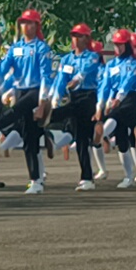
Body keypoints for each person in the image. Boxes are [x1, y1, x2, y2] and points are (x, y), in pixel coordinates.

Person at [0, 9, 52, 195]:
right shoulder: (15, 48)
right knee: (29, 139)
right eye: (22, 23)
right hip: (20, 90)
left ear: (37, 26)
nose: (25, 26)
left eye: (29, 23)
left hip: (35, 92)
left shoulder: (42, 48)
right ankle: (35, 180)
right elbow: (3, 70)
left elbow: (46, 76)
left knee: (17, 110)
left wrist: (43, 103)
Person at [47, 23, 101, 191]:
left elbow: (85, 71)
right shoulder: (67, 59)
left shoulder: (92, 56)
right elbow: (61, 79)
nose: (75, 39)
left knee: (80, 131)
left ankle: (48, 118)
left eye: (79, 36)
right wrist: (55, 97)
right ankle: (87, 177)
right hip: (74, 97)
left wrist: (76, 79)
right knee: (81, 140)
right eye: (74, 36)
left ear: (86, 39)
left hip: (88, 97)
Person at [97, 28, 136, 189]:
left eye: (121, 45)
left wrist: (117, 99)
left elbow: (128, 82)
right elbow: (106, 85)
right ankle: (128, 176)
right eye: (116, 45)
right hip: (115, 99)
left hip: (130, 99)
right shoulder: (111, 65)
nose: (118, 48)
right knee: (122, 139)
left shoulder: (134, 63)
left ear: (128, 46)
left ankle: (102, 134)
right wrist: (104, 102)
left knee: (116, 117)